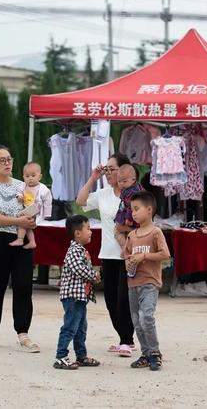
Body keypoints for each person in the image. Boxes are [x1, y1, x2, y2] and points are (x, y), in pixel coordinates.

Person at [0, 145, 40, 352]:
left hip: (21, 240)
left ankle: (23, 333)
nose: (7, 163)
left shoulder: (22, 185)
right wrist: (17, 220)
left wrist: (30, 220)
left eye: (9, 159)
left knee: (23, 286)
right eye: (1, 160)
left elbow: (30, 209)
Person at [76, 153, 136, 358]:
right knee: (110, 299)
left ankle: (128, 340)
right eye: (106, 169)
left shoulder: (133, 194)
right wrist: (93, 177)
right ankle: (123, 338)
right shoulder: (103, 194)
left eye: (112, 168)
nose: (108, 172)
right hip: (107, 253)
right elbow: (80, 201)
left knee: (123, 299)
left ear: (124, 170)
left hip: (128, 254)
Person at [124, 191, 170, 371]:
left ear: (149, 210)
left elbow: (165, 254)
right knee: (136, 321)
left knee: (147, 317)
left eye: (137, 209)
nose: (133, 213)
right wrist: (129, 262)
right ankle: (145, 354)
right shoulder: (132, 235)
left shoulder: (156, 232)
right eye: (131, 209)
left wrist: (144, 256)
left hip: (149, 282)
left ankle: (155, 352)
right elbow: (126, 255)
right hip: (133, 283)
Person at [54, 215, 102, 370]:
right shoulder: (74, 250)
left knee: (81, 327)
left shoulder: (81, 250)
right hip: (73, 297)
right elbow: (78, 269)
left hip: (80, 297)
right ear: (77, 233)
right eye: (88, 228)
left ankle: (81, 356)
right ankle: (61, 357)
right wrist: (94, 276)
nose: (91, 232)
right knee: (70, 326)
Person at [10, 162, 52, 249]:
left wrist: (47, 214)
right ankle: (32, 242)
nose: (30, 178)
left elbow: (48, 201)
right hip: (25, 208)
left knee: (22, 223)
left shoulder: (43, 189)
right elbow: (18, 192)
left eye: (33, 176)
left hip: (35, 209)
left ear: (39, 177)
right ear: (23, 177)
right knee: (27, 226)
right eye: (27, 176)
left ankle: (20, 239)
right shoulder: (23, 185)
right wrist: (19, 197)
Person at [114, 164, 144, 252]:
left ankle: (125, 249)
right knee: (120, 232)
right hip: (131, 218)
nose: (121, 184)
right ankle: (127, 249)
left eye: (124, 181)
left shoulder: (132, 192)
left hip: (131, 220)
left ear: (133, 180)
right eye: (119, 181)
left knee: (117, 232)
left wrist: (128, 218)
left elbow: (131, 206)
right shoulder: (132, 188)